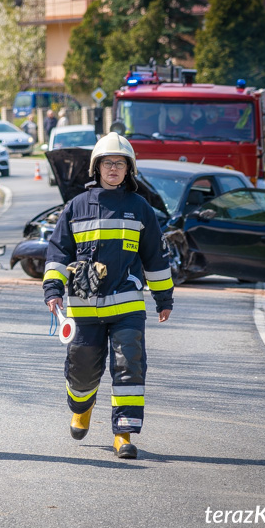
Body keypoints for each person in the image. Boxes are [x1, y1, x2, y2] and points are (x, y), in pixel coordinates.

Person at [42, 132, 174, 459]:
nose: (113, 168)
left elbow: (155, 258)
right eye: (107, 162)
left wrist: (164, 298)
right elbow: (58, 252)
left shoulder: (139, 208)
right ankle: (81, 408)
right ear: (96, 167)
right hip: (85, 308)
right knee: (81, 368)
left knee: (129, 365)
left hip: (127, 305)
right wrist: (52, 289)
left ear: (128, 169)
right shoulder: (76, 207)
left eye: (119, 163)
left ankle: (124, 434)